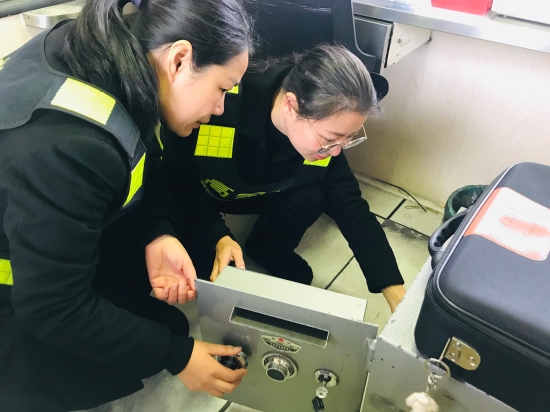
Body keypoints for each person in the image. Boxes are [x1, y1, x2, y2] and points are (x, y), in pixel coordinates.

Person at [0, 0, 254, 410]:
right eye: (222, 88)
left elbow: (138, 159)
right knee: (156, 340)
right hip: (17, 297)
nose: (220, 108)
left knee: (163, 320)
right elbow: (50, 306)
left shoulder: (103, 56)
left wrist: (157, 231)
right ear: (179, 59)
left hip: (33, 235)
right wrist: (176, 356)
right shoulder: (66, 146)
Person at [161, 45, 407, 312]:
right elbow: (178, 181)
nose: (336, 151)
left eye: (348, 139)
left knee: (310, 198)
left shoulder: (327, 137)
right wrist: (217, 235)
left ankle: (267, 248)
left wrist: (392, 287)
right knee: (206, 279)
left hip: (266, 190)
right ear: (291, 105)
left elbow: (350, 205)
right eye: (331, 139)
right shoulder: (221, 103)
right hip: (208, 191)